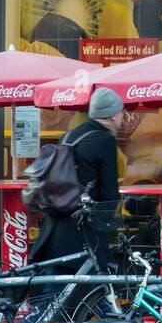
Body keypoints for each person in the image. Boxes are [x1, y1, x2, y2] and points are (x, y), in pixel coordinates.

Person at [29, 87, 123, 271]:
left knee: (56, 291)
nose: (122, 117)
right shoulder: (104, 141)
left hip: (53, 230)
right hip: (83, 234)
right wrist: (109, 229)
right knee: (91, 294)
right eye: (121, 112)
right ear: (112, 115)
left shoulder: (70, 135)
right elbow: (109, 194)